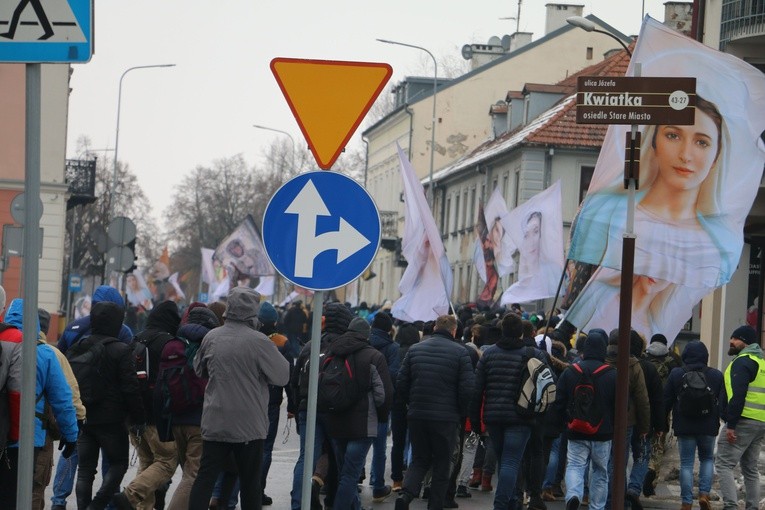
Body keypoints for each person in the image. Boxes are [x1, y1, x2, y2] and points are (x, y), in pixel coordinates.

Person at [563, 97, 732, 340]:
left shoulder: (712, 244)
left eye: (702, 142)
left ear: (716, 156)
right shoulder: (610, 212)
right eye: (673, 135)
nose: (686, 155)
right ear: (654, 141)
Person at [188, 287, 290, 510]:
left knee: (205, 478)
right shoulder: (260, 342)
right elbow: (282, 375)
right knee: (250, 482)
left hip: (215, 420)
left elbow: (198, 369)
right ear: (253, 310)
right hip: (249, 425)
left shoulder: (212, 337)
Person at [0, 298, 79, 508]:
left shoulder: (3, 343)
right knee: (21, 495)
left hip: (1, 432)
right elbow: (63, 399)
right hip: (28, 439)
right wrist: (71, 435)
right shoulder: (44, 355)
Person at [393, 315, 475, 510]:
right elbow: (467, 389)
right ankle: (435, 504)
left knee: (420, 459)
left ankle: (405, 496)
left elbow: (401, 383)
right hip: (446, 418)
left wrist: (410, 404)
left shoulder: (415, 349)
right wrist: (460, 412)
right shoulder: (460, 353)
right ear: (454, 331)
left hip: (417, 414)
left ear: (435, 327)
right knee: (442, 462)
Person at [470, 312, 545, 510]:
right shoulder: (533, 355)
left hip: (494, 417)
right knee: (511, 462)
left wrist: (476, 423)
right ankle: (502, 504)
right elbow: (546, 385)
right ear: (521, 333)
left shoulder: (489, 354)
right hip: (522, 417)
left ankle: (512, 501)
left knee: (506, 460)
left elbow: (477, 391)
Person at [75, 301, 145, 510]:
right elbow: (130, 388)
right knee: (119, 464)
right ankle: (96, 506)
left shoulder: (79, 346)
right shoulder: (121, 350)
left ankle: (84, 507)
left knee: (85, 470)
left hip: (84, 418)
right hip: (112, 422)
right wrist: (138, 417)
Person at [116, 301, 182, 509]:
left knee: (146, 462)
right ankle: (129, 495)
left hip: (134, 416)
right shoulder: (169, 343)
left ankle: (140, 506)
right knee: (166, 461)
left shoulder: (136, 339)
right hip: (157, 417)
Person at [289, 302, 354, 510]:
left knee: (306, 459)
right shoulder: (346, 346)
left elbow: (294, 379)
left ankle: (299, 504)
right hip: (335, 411)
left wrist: (295, 405)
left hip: (308, 408)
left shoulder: (311, 345)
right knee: (339, 460)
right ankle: (336, 502)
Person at [323, 317, 394, 509]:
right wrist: (381, 417)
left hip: (335, 422)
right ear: (366, 335)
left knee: (343, 472)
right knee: (349, 475)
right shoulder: (374, 356)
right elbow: (382, 394)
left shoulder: (333, 351)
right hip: (362, 425)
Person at [161, 305, 220, 510]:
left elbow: (162, 385)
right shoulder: (209, 345)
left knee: (188, 474)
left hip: (176, 419)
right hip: (199, 420)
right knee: (192, 476)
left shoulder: (172, 345)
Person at [553, 329, 616, 510]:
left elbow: (559, 401)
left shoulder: (571, 372)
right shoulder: (612, 374)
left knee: (575, 466)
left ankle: (573, 495)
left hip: (576, 429)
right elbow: (621, 406)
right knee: (600, 471)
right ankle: (597, 506)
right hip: (603, 432)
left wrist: (562, 422)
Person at [34, 308, 86, 510]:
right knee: (35, 487)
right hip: (38, 433)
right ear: (45, 329)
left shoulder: (7, 343)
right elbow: (68, 397)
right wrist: (74, 428)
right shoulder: (51, 354)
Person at [664, 340, 722, 510]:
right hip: (708, 426)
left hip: (685, 425)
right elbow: (721, 401)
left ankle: (686, 502)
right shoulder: (716, 375)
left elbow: (666, 400)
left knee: (687, 464)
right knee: (706, 459)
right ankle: (704, 494)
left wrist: (661, 424)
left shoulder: (676, 374)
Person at [716, 325, 765, 510]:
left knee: (723, 464)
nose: (731, 341)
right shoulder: (761, 363)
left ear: (745, 342)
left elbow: (738, 395)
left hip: (742, 421)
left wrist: (731, 424)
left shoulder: (741, 362)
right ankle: (752, 507)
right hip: (760, 422)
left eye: (735, 338)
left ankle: (730, 506)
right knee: (751, 469)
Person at [367, 311, 399, 500]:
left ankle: (356, 480)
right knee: (380, 446)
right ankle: (377, 483)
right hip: (383, 402)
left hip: (362, 401)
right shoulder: (393, 348)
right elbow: (394, 374)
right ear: (389, 329)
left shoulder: (364, 342)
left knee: (359, 441)